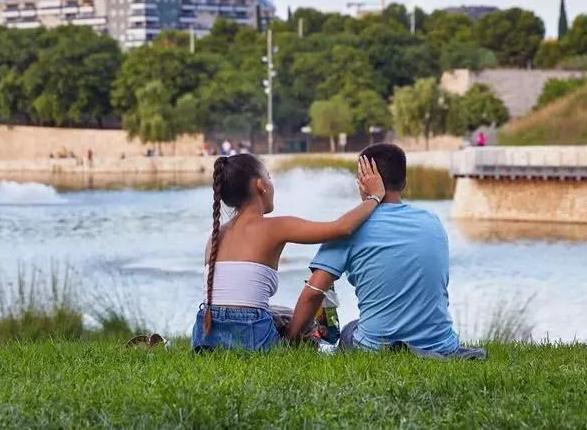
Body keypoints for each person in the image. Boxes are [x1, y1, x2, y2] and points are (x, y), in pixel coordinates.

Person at [288, 143, 486, 360]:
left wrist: (291, 339)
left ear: (363, 184)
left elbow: (314, 292)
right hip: (442, 343)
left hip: (377, 348)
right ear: (404, 183)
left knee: (350, 330)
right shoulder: (432, 221)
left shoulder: (350, 227)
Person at [191, 153, 387, 352]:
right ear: (261, 185)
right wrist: (375, 197)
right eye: (269, 176)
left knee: (281, 313)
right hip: (251, 336)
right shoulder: (276, 226)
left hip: (205, 335)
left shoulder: (216, 235)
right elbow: (341, 228)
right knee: (311, 322)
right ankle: (319, 342)